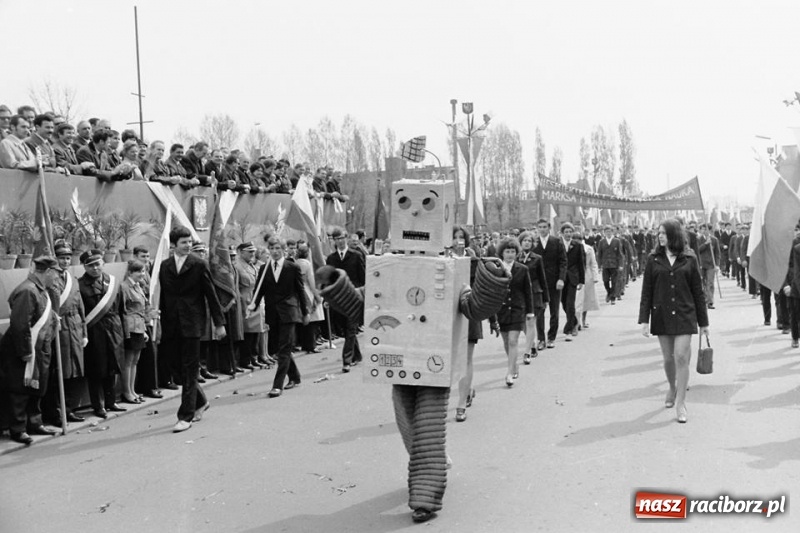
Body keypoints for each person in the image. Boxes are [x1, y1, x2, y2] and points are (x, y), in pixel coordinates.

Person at [639, 219, 709, 424]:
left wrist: (704, 323)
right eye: (658, 233)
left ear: (674, 235)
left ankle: (681, 402)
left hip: (685, 314)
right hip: (661, 314)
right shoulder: (653, 259)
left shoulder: (689, 259)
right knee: (668, 358)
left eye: (664, 233)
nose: (660, 236)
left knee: (680, 356)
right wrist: (644, 320)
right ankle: (672, 386)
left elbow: (698, 291)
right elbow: (647, 292)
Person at [158, 226, 226, 432]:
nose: (188, 246)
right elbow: (164, 296)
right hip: (171, 323)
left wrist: (219, 323)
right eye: (184, 243)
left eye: (189, 242)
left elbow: (211, 295)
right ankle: (201, 401)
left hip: (192, 322)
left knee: (189, 369)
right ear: (174, 245)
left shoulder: (198, 265)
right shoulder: (164, 266)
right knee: (176, 367)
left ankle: (185, 416)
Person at [0, 256, 60, 444]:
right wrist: (25, 351)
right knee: (20, 389)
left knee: (36, 386)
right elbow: (20, 325)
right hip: (24, 348)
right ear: (48, 272)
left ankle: (34, 422)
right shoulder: (28, 291)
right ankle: (17, 428)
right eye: (55, 274)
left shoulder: (42, 290)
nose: (56, 278)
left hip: (40, 347)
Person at [250, 236, 309, 398]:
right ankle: (295, 376)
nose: (275, 252)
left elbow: (300, 291)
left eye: (278, 249)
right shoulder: (264, 269)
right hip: (272, 313)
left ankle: (277, 385)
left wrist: (305, 312)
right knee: (279, 348)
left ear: (283, 250)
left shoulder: (292, 267)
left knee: (284, 349)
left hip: (289, 313)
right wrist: (252, 306)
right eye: (272, 249)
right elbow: (259, 291)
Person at [451, 226, 498, 422]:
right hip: (449, 315)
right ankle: (467, 389)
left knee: (466, 359)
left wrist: (492, 319)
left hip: (469, 313)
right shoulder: (443, 259)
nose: (458, 241)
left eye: (461, 237)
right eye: (454, 237)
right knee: (453, 359)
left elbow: (485, 289)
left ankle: (461, 404)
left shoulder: (474, 259)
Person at [42, 242, 88, 426]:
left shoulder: (71, 279)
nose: (65, 261)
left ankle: (68, 409)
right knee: (59, 372)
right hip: (59, 329)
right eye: (61, 257)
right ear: (54, 258)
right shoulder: (50, 278)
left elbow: (80, 306)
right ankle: (56, 413)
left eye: (68, 257)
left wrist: (84, 331)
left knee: (74, 372)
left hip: (75, 327)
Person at [79, 249, 127, 419]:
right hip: (94, 331)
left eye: (97, 264)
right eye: (90, 265)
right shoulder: (80, 286)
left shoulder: (113, 282)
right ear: (84, 267)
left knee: (112, 367)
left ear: (103, 263)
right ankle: (98, 405)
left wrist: (123, 331)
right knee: (96, 369)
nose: (95, 268)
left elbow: (121, 309)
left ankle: (111, 401)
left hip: (113, 329)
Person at [494, 237, 533, 387]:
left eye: (512, 251)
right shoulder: (496, 269)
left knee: (513, 340)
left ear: (517, 253)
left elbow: (527, 291)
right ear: (501, 253)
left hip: (518, 309)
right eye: (507, 251)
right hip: (501, 310)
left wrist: (530, 312)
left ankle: (509, 372)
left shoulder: (522, 269)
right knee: (505, 341)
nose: (510, 254)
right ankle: (514, 364)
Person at [326, 227, 365, 372]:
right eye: (337, 239)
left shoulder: (356, 255)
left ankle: (346, 361)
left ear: (346, 238)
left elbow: (363, 277)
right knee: (345, 329)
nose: (340, 241)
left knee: (350, 328)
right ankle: (357, 355)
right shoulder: (331, 258)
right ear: (334, 241)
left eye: (342, 238)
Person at [120, 260, 152, 404]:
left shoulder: (138, 287)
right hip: (130, 327)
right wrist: (126, 332)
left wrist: (144, 330)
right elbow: (123, 310)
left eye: (143, 271)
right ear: (130, 273)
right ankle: (126, 392)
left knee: (135, 361)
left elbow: (141, 309)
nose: (142, 274)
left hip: (139, 327)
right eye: (138, 271)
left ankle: (132, 390)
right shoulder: (124, 287)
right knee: (128, 361)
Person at [532, 219, 567, 349]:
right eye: (539, 227)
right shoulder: (534, 243)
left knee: (554, 310)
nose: (542, 229)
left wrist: (561, 279)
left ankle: (551, 337)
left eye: (544, 227)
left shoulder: (557, 242)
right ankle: (541, 339)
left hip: (554, 282)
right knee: (540, 311)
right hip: (539, 283)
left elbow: (563, 262)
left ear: (549, 228)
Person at [516, 230, 548, 363]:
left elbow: (542, 278)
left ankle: (527, 352)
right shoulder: (515, 257)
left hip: (534, 293)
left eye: (529, 241)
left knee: (530, 322)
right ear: (520, 242)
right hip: (520, 294)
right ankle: (533, 343)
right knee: (523, 324)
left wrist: (546, 298)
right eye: (524, 240)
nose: (527, 243)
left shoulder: (537, 258)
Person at [294, 243, 325, 354]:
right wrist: (316, 295)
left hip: (297, 292)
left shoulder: (295, 263)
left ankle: (304, 344)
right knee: (312, 320)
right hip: (307, 291)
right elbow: (311, 282)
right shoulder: (307, 264)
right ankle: (311, 345)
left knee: (304, 321)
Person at [560, 223, 585, 340]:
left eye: (570, 232)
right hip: (560, 278)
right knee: (564, 303)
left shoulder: (578, 245)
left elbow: (581, 263)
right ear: (562, 233)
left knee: (570, 303)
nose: (568, 234)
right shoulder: (557, 244)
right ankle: (575, 321)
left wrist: (581, 280)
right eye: (566, 232)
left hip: (573, 278)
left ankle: (569, 329)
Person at [574, 233, 600, 329]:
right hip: (575, 275)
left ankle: (583, 320)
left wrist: (595, 276)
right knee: (577, 300)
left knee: (586, 299)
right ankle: (577, 321)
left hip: (587, 275)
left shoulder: (588, 249)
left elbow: (593, 263)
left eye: (579, 240)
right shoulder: (571, 248)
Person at [596, 224, 625, 305]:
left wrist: (621, 265)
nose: (608, 233)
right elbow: (599, 254)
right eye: (606, 232)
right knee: (605, 281)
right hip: (605, 265)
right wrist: (599, 266)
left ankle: (613, 297)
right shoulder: (602, 242)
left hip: (614, 264)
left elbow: (620, 254)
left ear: (612, 232)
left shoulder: (617, 241)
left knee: (614, 281)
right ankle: (609, 292)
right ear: (604, 233)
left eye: (609, 231)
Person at [782, 221, 800, 348]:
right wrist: (786, 284)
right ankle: (795, 337)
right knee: (795, 313)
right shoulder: (795, 247)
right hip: (796, 284)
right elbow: (785, 266)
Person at [697, 223, 720, 309]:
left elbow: (717, 253)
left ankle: (710, 301)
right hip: (701, 264)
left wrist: (717, 265)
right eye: (702, 229)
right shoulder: (698, 239)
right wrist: (706, 244)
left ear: (709, 230)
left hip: (711, 265)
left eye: (705, 229)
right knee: (702, 283)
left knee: (710, 283)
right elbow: (697, 250)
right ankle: (705, 299)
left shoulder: (714, 240)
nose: (704, 231)